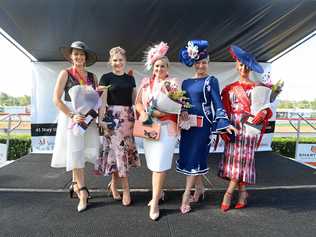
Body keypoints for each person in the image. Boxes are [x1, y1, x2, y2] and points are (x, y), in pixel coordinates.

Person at [177, 40, 236, 214]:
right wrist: (182, 112)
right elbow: (183, 104)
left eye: (204, 62)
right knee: (191, 157)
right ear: (194, 63)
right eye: (199, 62)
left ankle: (186, 194)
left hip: (204, 126)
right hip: (189, 126)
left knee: (195, 156)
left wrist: (224, 123)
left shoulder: (212, 80)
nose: (201, 65)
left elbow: (218, 103)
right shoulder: (185, 83)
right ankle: (200, 188)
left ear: (208, 63)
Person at [218, 45, 272, 212]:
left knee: (245, 159)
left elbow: (266, 107)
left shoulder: (259, 87)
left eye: (247, 66)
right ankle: (242, 192)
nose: (243, 69)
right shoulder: (229, 89)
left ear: (250, 68)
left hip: (249, 127)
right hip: (234, 127)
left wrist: (263, 113)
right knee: (234, 160)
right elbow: (224, 110)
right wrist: (223, 127)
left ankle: (228, 193)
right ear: (236, 65)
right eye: (241, 65)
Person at [51, 41, 99, 212]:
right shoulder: (65, 73)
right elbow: (56, 99)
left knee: (83, 151)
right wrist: (71, 115)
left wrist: (96, 115)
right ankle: (83, 191)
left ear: (85, 57)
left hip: (88, 119)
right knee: (76, 151)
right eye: (75, 54)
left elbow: (96, 100)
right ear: (71, 56)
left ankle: (74, 184)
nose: (79, 57)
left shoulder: (93, 77)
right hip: (72, 118)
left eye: (81, 54)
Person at [135, 42, 179, 220]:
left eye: (163, 66)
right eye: (157, 65)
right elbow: (138, 103)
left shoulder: (173, 83)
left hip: (167, 128)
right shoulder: (145, 84)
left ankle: (154, 201)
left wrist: (164, 112)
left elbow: (178, 106)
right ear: (153, 67)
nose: (159, 68)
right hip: (150, 127)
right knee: (154, 164)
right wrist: (143, 112)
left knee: (160, 165)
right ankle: (159, 193)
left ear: (167, 68)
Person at [94, 46, 140, 206]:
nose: (118, 63)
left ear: (125, 61)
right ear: (110, 62)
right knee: (118, 153)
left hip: (128, 118)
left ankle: (113, 186)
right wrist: (101, 121)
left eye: (120, 60)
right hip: (113, 119)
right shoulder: (105, 78)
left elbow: (135, 100)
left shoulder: (130, 79)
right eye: (115, 60)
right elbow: (102, 103)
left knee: (118, 154)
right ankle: (126, 190)